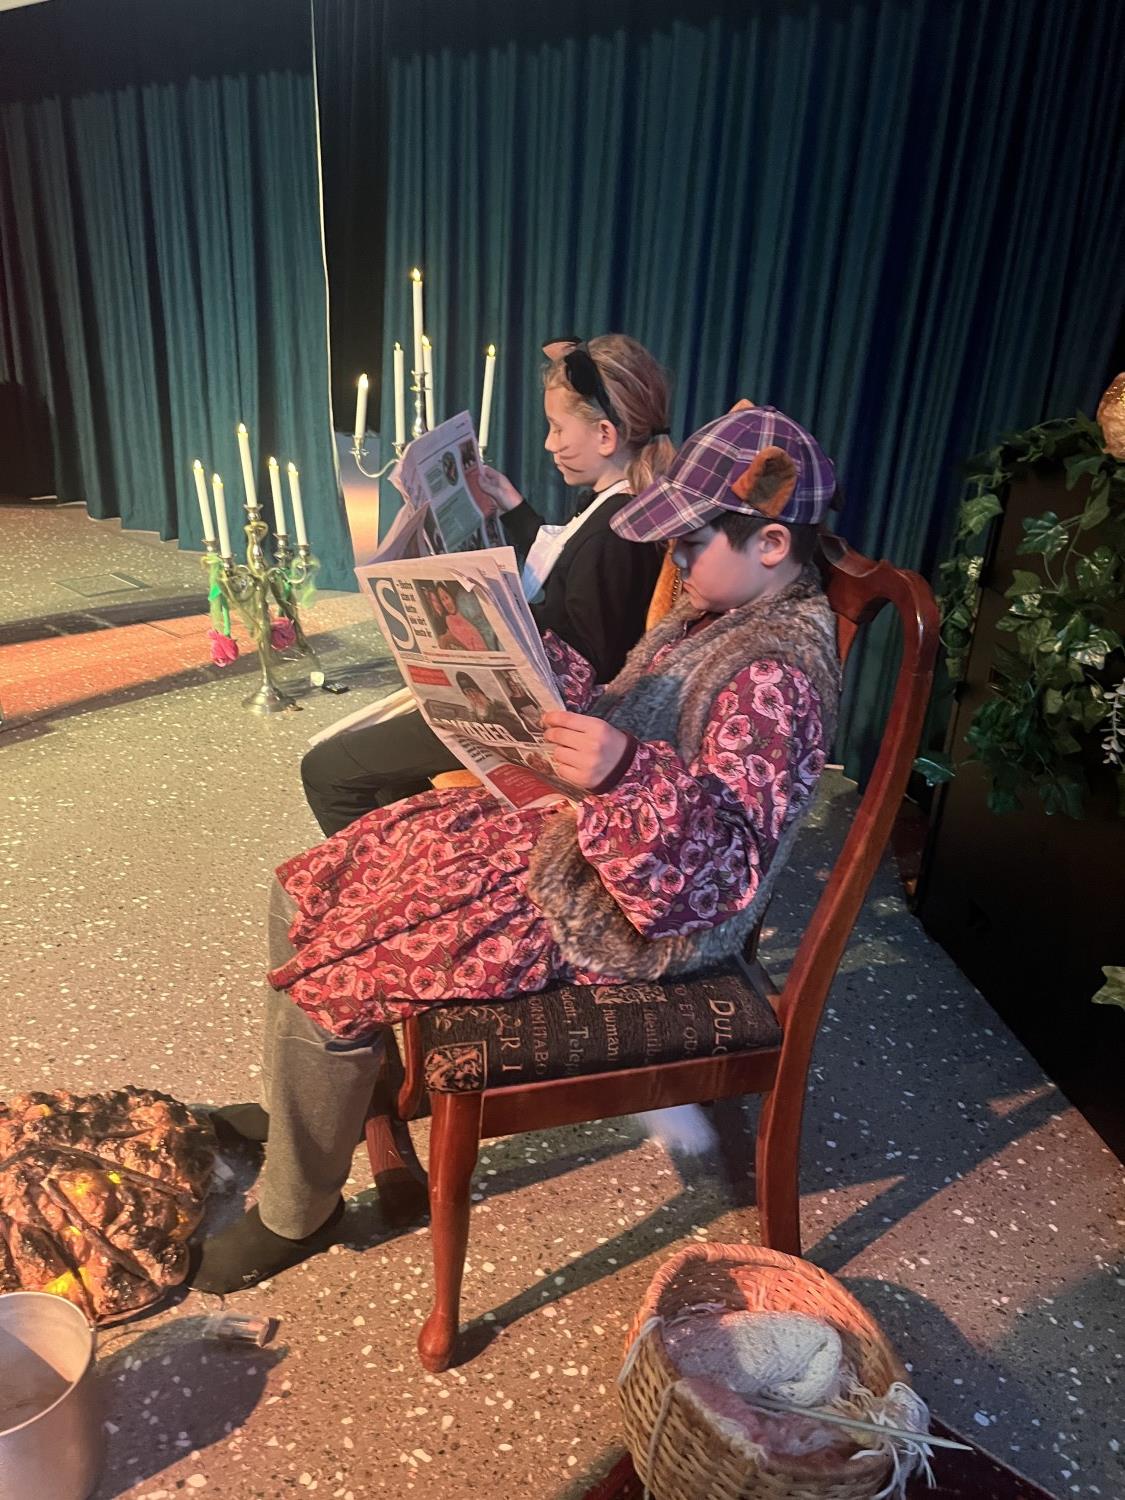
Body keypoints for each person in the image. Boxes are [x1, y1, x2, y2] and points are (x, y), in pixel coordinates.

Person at [192, 405, 842, 1292]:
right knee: (308, 884)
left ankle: (297, 1210)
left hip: (629, 911)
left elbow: (721, 877)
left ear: (770, 544)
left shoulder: (774, 675)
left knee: (333, 974)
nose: (676, 561)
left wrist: (622, 771)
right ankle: (313, 1113)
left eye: (691, 545)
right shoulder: (717, 617)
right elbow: (630, 710)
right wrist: (524, 663)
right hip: (591, 843)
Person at [299, 334, 675, 837]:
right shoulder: (621, 506)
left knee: (327, 770)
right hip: (534, 705)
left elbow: (588, 659)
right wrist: (515, 510)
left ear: (606, 435)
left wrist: (473, 620)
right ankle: (404, 858)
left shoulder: (614, 535)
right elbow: (573, 574)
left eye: (557, 429)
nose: (549, 444)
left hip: (535, 722)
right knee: (386, 773)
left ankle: (365, 879)